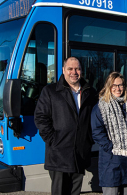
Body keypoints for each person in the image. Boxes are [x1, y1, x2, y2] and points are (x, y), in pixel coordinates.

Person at [34, 57, 97, 195]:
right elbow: (40, 118)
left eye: (77, 69)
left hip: (80, 153)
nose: (74, 72)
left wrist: (88, 140)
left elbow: (95, 119)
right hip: (59, 154)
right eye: (70, 69)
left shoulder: (90, 92)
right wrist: (53, 140)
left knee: (75, 192)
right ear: (63, 70)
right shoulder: (50, 91)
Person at [91, 72, 127, 195]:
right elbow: (97, 132)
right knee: (111, 191)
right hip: (111, 158)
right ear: (108, 86)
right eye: (114, 85)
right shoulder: (101, 106)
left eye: (121, 85)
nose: (118, 88)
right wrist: (111, 147)